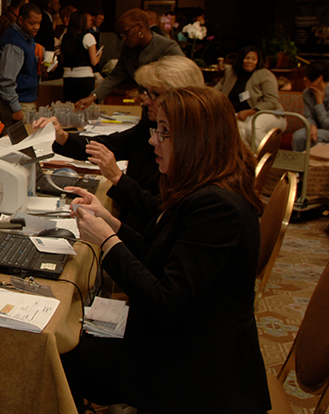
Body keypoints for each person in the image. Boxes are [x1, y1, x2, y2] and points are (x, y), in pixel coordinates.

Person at [62, 86, 270, 414]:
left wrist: (106, 242)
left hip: (193, 369)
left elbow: (165, 302)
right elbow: (160, 252)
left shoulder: (217, 206)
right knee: (71, 334)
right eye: (156, 129)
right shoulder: (201, 187)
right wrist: (110, 222)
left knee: (61, 355)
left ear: (196, 140)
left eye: (164, 132)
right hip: (183, 343)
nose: (152, 140)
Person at [34, 56, 203, 229]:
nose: (145, 100)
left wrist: (118, 178)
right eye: (147, 93)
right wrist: (63, 137)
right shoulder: (149, 125)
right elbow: (111, 145)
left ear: (182, 98)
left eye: (155, 94)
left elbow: (165, 217)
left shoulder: (191, 152)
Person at [75, 8, 184, 110]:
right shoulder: (128, 48)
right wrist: (94, 96)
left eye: (126, 32)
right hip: (148, 109)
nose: (124, 38)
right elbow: (116, 75)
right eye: (121, 34)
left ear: (140, 28)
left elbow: (184, 78)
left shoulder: (167, 47)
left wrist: (150, 95)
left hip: (167, 109)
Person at [214, 45, 287, 148]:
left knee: (252, 127)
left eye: (254, 59)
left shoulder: (265, 74)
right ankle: (247, 160)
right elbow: (217, 90)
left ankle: (266, 158)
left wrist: (250, 112)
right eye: (247, 58)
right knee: (234, 129)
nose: (250, 61)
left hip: (269, 113)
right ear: (241, 59)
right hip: (239, 115)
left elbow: (272, 101)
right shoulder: (231, 72)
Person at [0, 2, 45, 121]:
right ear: (21, 19)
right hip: (17, 102)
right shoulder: (13, 43)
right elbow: (5, 81)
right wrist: (15, 108)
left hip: (25, 99)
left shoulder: (27, 36)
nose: (36, 27)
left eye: (39, 23)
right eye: (32, 23)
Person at [60, 11, 101, 103]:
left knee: (70, 107)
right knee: (84, 107)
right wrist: (99, 54)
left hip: (68, 77)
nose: (91, 22)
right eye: (89, 20)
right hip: (85, 77)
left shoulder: (64, 37)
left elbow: (63, 60)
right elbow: (94, 61)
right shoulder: (88, 37)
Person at [293, 61, 329, 152]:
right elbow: (308, 115)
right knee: (298, 136)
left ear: (319, 78)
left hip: (327, 128)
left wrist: (319, 103)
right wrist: (311, 125)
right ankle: (298, 165)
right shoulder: (307, 92)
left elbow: (327, 125)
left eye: (308, 77)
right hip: (318, 128)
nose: (305, 79)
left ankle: (315, 166)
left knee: (316, 137)